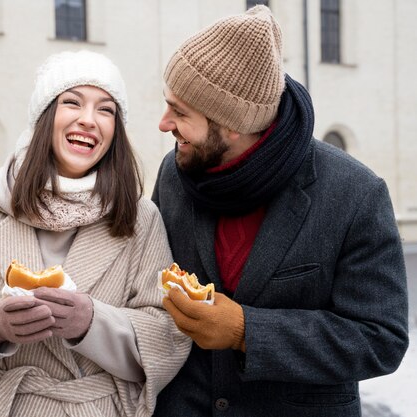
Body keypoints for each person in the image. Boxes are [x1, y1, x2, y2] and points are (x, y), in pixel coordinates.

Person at [0, 50, 190, 417]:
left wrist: (93, 325)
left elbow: (169, 335)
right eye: (72, 102)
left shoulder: (139, 218)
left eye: (105, 109)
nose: (88, 120)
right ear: (44, 116)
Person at [151, 5, 409, 417]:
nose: (163, 123)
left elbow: (380, 339)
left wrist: (246, 332)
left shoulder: (355, 193)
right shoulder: (173, 174)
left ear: (233, 124)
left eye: (180, 112)